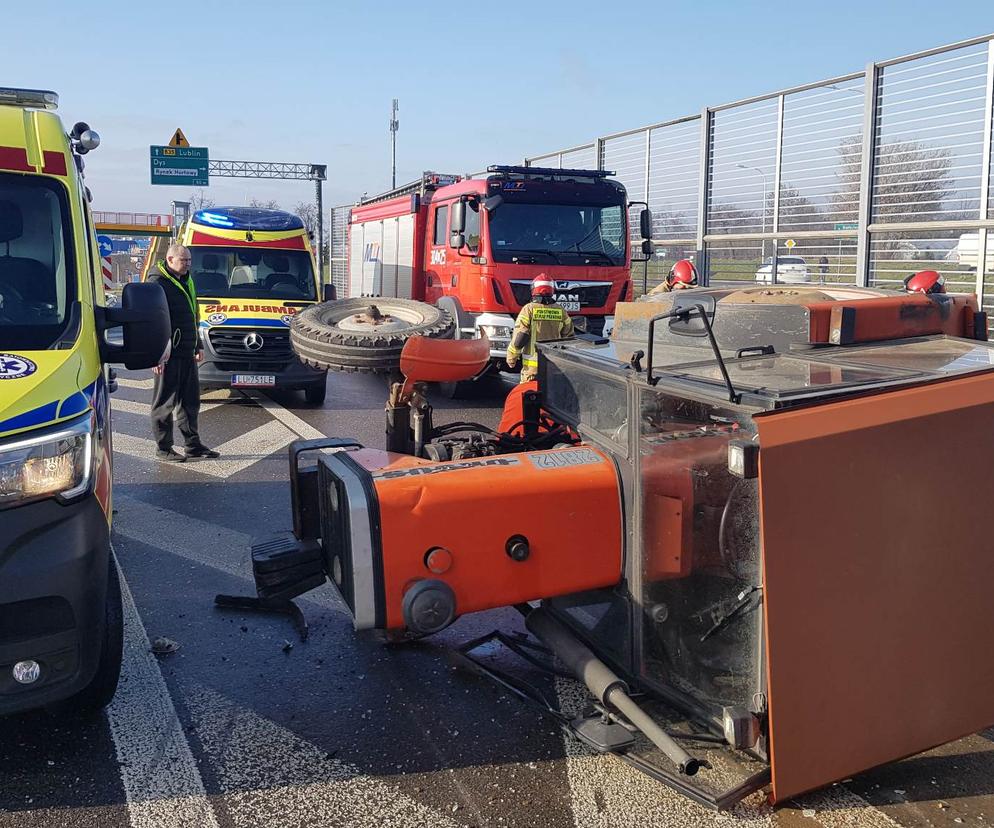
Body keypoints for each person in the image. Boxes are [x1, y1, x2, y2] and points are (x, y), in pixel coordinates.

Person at [147, 243, 219, 462]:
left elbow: (192, 314)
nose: (188, 264)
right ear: (169, 260)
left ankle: (193, 445)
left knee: (190, 401)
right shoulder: (157, 283)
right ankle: (163, 448)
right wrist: (155, 354)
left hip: (186, 351)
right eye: (183, 260)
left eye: (189, 260)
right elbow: (152, 321)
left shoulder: (186, 279)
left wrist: (197, 345)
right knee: (164, 403)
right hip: (167, 354)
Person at [505, 273, 574, 383]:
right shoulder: (561, 311)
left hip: (532, 369)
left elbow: (521, 336)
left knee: (527, 397)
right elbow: (569, 338)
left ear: (534, 289)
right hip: (554, 366)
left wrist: (511, 357)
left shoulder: (529, 309)